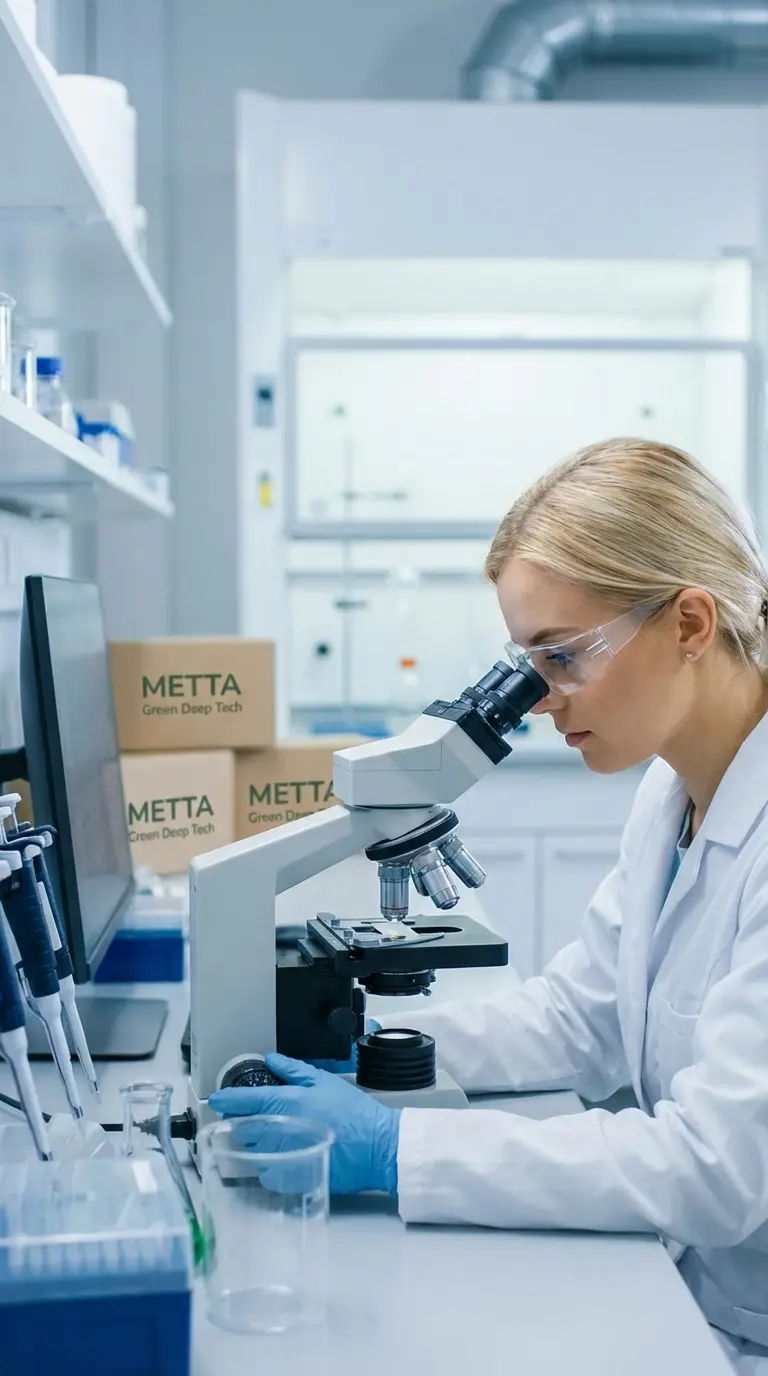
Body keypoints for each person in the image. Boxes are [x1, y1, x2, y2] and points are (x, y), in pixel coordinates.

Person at [211, 438, 768, 1374]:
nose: (541, 701)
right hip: (690, 1292)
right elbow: (577, 1019)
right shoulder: (671, 792)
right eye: (525, 663)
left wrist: (399, 1151)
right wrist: (372, 1052)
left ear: (691, 623)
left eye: (563, 659)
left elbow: (715, 1168)